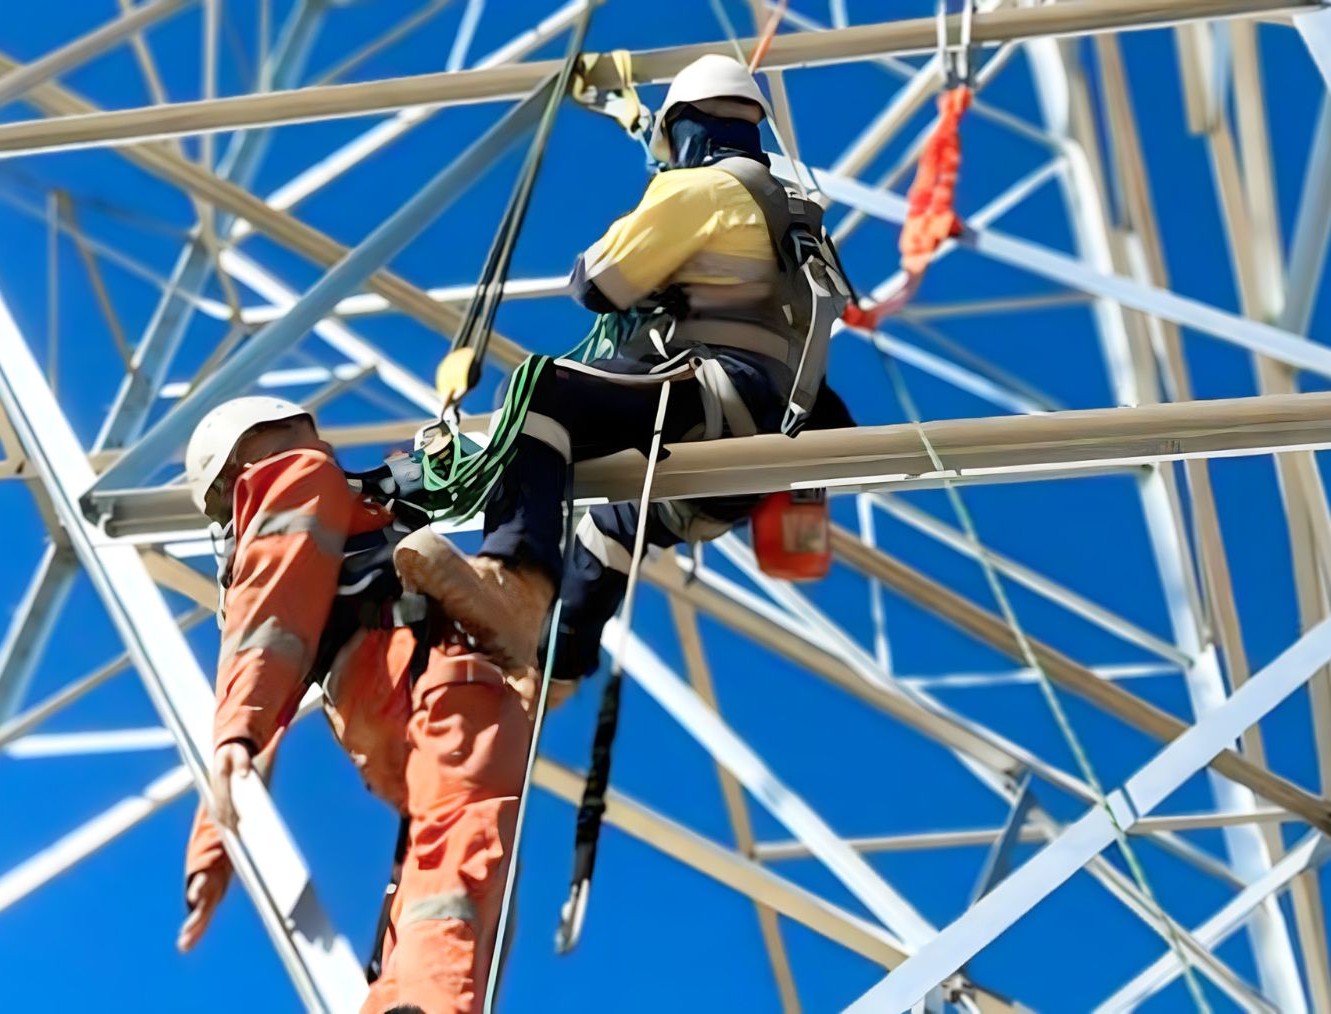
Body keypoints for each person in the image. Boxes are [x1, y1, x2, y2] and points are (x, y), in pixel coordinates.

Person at [398, 52, 857, 690]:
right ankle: (553, 676)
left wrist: (660, 210)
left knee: (540, 394)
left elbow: (597, 281)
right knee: (605, 531)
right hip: (772, 441)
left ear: (687, 130)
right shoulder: (801, 220)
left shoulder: (699, 187)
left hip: (711, 401)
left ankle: (513, 584)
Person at [175, 396, 529, 1014]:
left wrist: (212, 842)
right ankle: (430, 1004)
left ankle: (402, 1001)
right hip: (423, 680)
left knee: (437, 862)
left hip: (373, 709)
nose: (319, 446)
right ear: (248, 455)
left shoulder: (257, 558)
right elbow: (272, 626)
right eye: (295, 432)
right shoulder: (297, 481)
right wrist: (237, 739)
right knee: (463, 846)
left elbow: (261, 657)